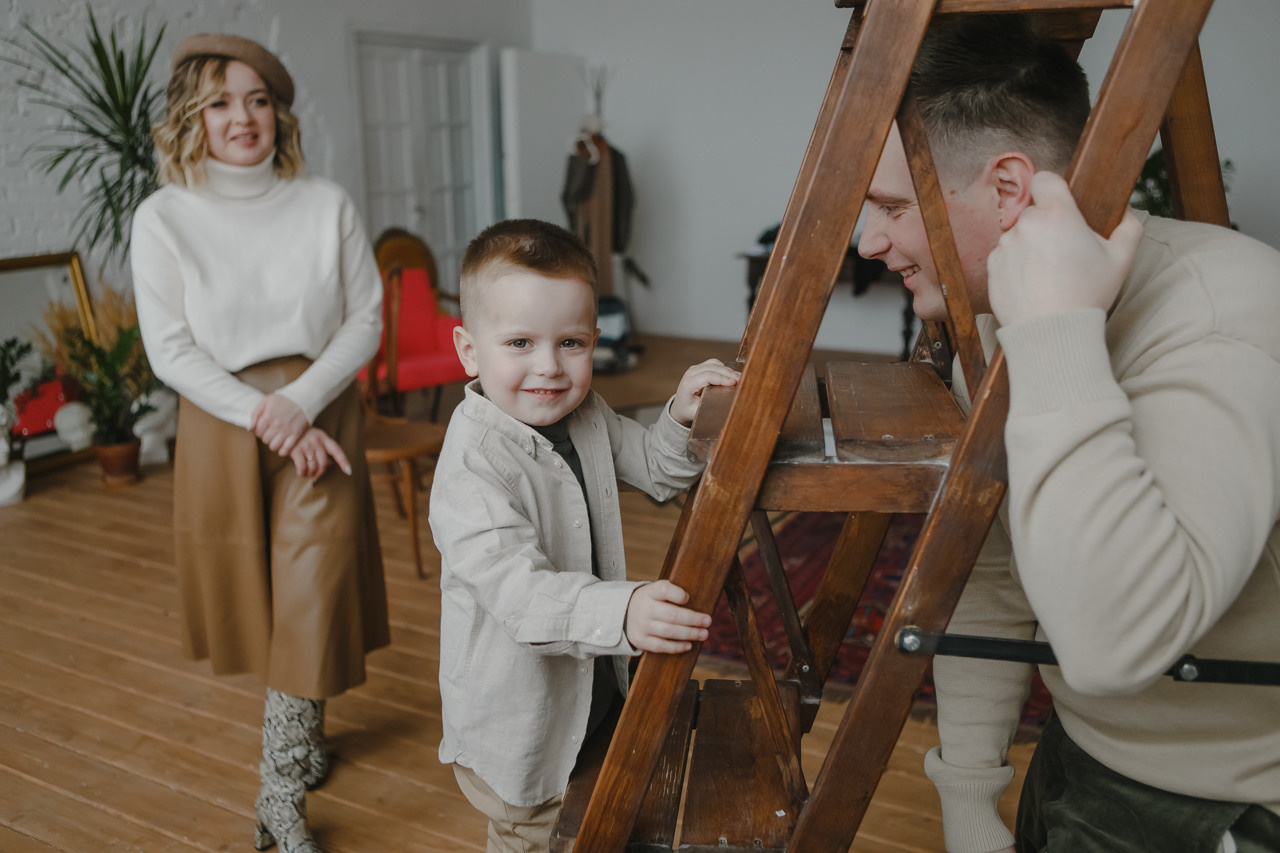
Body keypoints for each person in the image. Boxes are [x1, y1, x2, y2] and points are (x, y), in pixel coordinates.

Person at [856, 15, 1280, 853]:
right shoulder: (990, 333)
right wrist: (971, 799)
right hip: (1081, 760)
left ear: (1009, 190)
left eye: (892, 207)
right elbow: (993, 568)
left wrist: (1056, 331)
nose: (869, 242)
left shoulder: (1227, 317)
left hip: (1222, 806)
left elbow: (1111, 645)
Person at [131, 34, 387, 853]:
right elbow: (170, 347)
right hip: (223, 418)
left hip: (322, 412)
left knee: (312, 586)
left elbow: (366, 318)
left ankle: (278, 794)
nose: (243, 117)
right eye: (220, 102)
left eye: (258, 99)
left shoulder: (325, 203)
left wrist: (301, 402)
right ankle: (302, 738)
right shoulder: (164, 216)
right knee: (263, 596)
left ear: (279, 111)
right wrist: (263, 411)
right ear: (190, 117)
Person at [429, 219, 740, 853]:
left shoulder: (586, 415)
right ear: (468, 350)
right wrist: (623, 606)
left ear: (595, 341)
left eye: (570, 342)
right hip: (519, 725)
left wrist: (680, 413)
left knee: (597, 820)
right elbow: (520, 596)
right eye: (518, 342)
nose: (547, 367)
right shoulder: (472, 464)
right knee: (534, 837)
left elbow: (656, 469)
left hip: (593, 692)